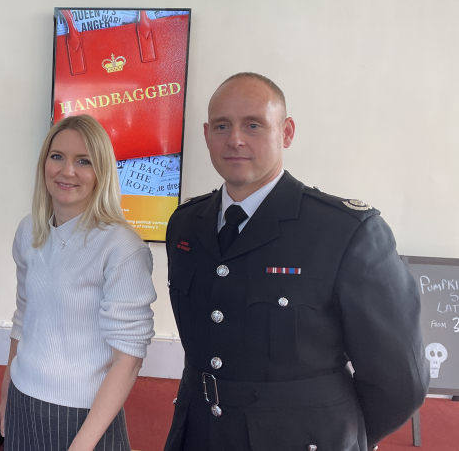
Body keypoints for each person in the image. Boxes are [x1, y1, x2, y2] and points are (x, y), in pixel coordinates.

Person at [163, 72, 429, 451]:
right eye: (222, 125)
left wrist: (340, 430)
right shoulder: (187, 224)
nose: (235, 139)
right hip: (199, 434)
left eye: (253, 125)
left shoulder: (344, 231)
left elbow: (400, 380)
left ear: (286, 133)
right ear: (206, 134)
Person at [0, 115, 157, 451]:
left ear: (101, 172)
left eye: (83, 161)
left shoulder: (122, 247)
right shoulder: (29, 231)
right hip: (22, 401)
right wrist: (5, 398)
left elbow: (128, 360)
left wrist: (81, 446)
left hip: (85, 420)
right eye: (57, 156)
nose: (67, 171)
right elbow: (23, 318)